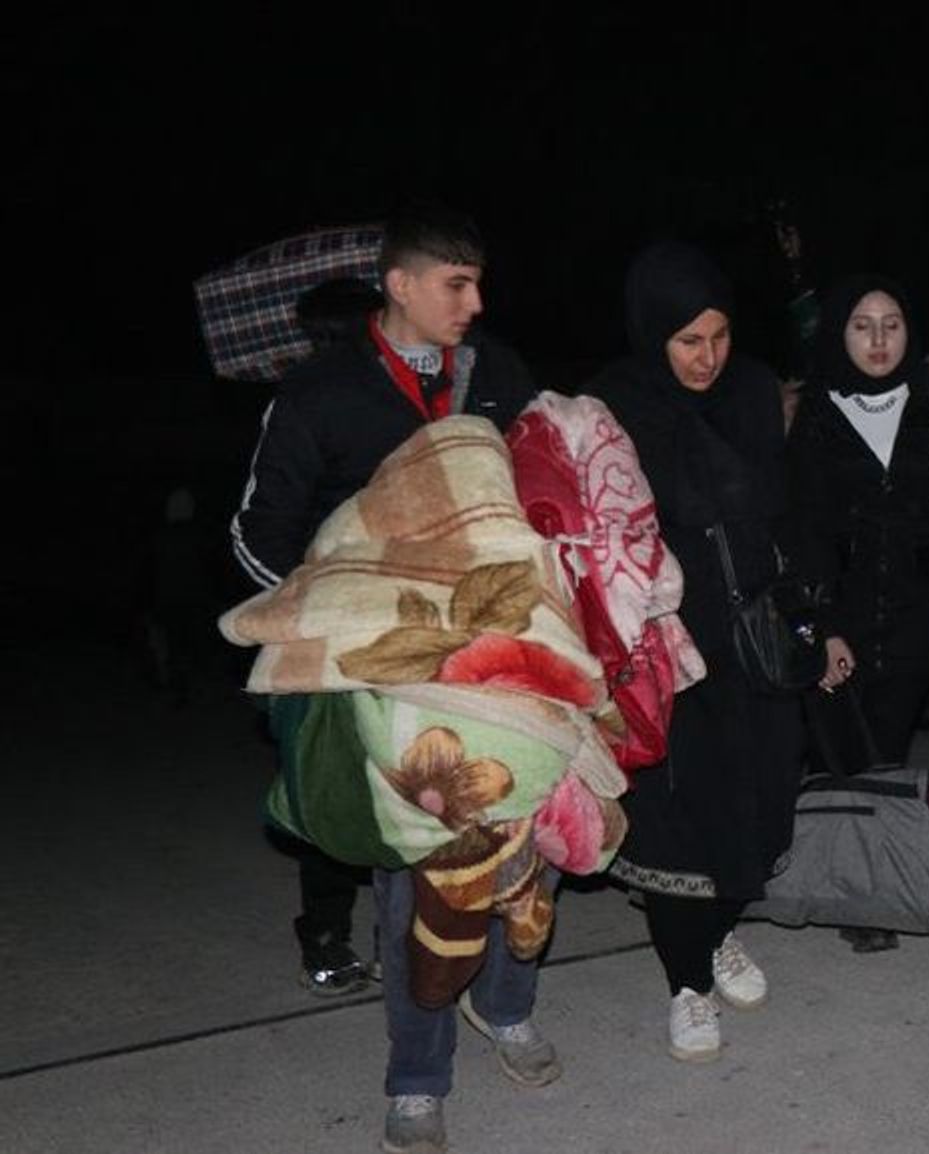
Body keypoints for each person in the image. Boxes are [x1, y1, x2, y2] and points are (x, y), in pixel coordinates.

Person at [230, 203, 546, 1154]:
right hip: (384, 674)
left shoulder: (499, 376)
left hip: (503, 659)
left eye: (480, 282)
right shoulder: (319, 393)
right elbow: (257, 535)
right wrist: (332, 621)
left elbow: (545, 493)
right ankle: (417, 1078)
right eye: (456, 284)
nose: (475, 302)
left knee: (529, 831)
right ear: (399, 285)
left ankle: (510, 1002)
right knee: (419, 858)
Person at [587, 241, 806, 1063]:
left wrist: (814, 620)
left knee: (760, 799)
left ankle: (719, 935)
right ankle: (686, 982)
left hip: (756, 634)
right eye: (688, 341)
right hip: (665, 648)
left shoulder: (752, 390)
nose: (708, 357)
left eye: (718, 336)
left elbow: (783, 515)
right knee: (683, 815)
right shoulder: (613, 405)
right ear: (653, 335)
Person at [787, 274, 929, 953]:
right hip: (840, 612)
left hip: (910, 608)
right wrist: (823, 623)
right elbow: (801, 524)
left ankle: (882, 882)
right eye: (861, 325)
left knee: (887, 750)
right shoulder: (816, 410)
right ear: (840, 334)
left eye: (891, 323)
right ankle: (855, 889)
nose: (877, 339)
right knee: (845, 752)